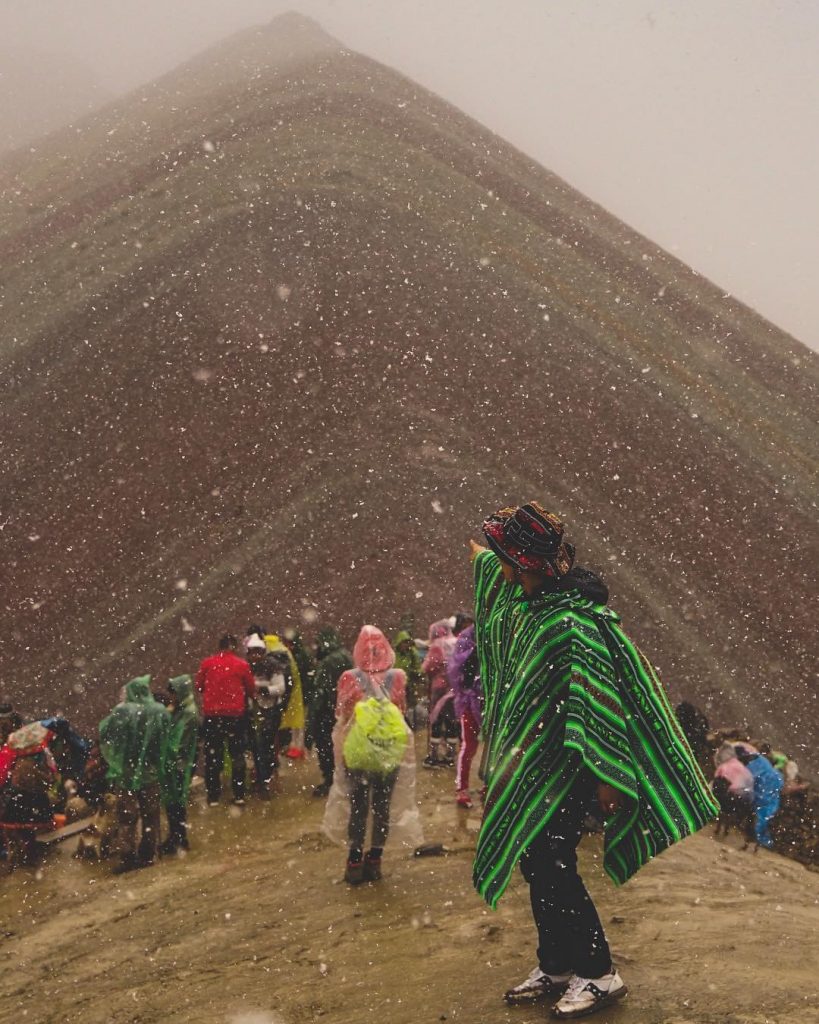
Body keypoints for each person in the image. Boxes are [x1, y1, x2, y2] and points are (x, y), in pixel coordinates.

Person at [471, 501, 718, 1019]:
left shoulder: (569, 625)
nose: (505, 571)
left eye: (509, 560)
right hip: (540, 767)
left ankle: (599, 972)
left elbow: (599, 701)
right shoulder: (533, 605)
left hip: (572, 771)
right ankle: (557, 964)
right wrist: (484, 560)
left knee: (554, 867)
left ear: (530, 564)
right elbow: (495, 588)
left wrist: (609, 777)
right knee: (536, 862)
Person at [322, 625, 422, 884]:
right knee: (382, 807)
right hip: (388, 751)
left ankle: (354, 861)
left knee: (358, 807)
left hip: (359, 753)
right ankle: (375, 860)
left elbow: (343, 719)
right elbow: (401, 714)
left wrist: (341, 757)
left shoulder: (348, 677)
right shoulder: (398, 676)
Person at [99, 676, 171, 874]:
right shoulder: (159, 711)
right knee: (150, 815)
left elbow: (107, 733)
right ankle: (148, 854)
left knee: (126, 818)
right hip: (150, 772)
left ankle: (128, 856)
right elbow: (164, 738)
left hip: (126, 772)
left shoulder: (122, 711)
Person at [195, 634, 255, 806]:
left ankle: (213, 796)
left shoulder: (208, 663)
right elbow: (250, 688)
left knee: (213, 755)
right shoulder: (241, 665)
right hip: (236, 715)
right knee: (237, 754)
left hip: (213, 715)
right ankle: (239, 794)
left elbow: (199, 686)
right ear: (234, 647)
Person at [245, 633, 292, 795]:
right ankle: (261, 777)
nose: (255, 656)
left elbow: (281, 687)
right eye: (252, 652)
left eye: (258, 652)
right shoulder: (246, 668)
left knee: (265, 746)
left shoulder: (273, 666)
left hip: (271, 711)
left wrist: (263, 689)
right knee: (256, 747)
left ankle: (265, 779)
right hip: (253, 712)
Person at [309, 627, 353, 798]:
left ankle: (331, 781)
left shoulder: (327, 663)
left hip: (327, 712)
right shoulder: (347, 656)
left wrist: (311, 719)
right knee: (342, 745)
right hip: (344, 710)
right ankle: (345, 778)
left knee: (326, 746)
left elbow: (319, 693)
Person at [160, 675, 199, 854]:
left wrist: (168, 754)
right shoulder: (180, 710)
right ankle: (175, 836)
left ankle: (180, 838)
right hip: (174, 763)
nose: (171, 697)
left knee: (177, 803)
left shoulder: (189, 714)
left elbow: (181, 741)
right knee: (172, 802)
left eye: (174, 693)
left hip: (180, 763)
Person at [447, 623, 482, 808]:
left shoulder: (500, 629)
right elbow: (456, 667)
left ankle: (489, 785)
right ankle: (462, 788)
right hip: (470, 701)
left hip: (491, 701)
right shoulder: (468, 637)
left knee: (493, 747)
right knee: (469, 745)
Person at [423, 620, 458, 766]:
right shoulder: (456, 642)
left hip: (439, 688)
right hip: (455, 688)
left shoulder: (437, 645)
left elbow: (429, 667)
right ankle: (450, 755)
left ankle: (434, 755)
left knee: (436, 719)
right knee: (452, 721)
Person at [735, 745, 784, 849]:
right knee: (758, 824)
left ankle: (748, 844)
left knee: (752, 822)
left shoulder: (760, 769)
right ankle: (754, 845)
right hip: (766, 803)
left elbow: (752, 781)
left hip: (758, 801)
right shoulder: (776, 775)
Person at [393, 630, 425, 728]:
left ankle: (407, 725)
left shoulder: (412, 653)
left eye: (407, 643)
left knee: (408, 706)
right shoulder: (394, 653)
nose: (406, 645)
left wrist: (414, 672)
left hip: (408, 684)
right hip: (394, 685)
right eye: (404, 643)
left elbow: (419, 668)